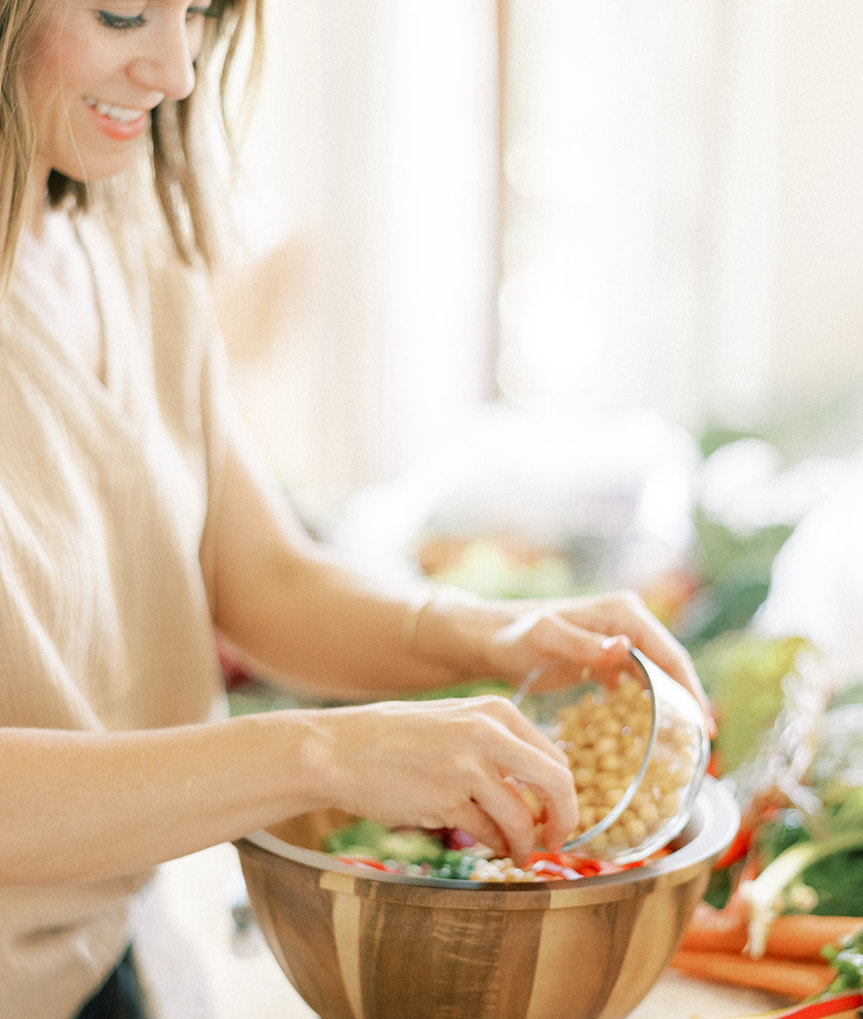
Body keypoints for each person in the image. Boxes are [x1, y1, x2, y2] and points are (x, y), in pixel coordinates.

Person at [0, 1, 712, 1016]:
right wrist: (325, 749)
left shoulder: (123, 231)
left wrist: (502, 632)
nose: (176, 71)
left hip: (94, 956)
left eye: (196, 11)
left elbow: (263, 577)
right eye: (122, 14)